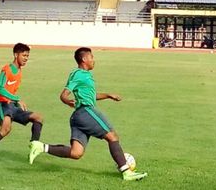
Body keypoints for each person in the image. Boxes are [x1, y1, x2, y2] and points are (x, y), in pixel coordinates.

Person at [28, 47, 148, 181]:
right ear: (84, 59)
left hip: (78, 117)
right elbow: (64, 95)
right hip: (86, 111)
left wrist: (108, 95)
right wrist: (68, 102)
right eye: (91, 57)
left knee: (76, 153)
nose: (93, 60)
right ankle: (126, 172)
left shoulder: (84, 75)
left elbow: (91, 95)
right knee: (112, 136)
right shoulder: (79, 74)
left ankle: (41, 147)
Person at [0, 43, 44, 166]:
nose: (26, 58)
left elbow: (10, 90)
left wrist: (15, 101)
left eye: (27, 56)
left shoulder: (19, 70)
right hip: (1, 104)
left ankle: (34, 146)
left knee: (38, 118)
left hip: (11, 105)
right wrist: (17, 99)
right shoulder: (7, 69)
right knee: (5, 129)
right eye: (24, 55)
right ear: (16, 55)